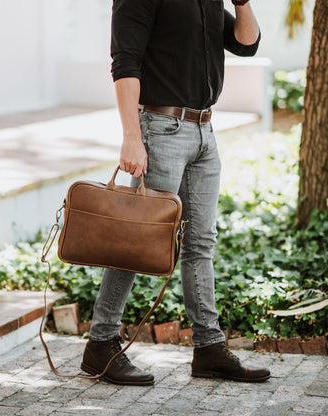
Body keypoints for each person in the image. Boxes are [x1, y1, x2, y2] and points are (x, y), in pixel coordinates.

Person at [81, 0, 271, 385]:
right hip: (160, 127)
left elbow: (246, 44)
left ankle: (209, 349)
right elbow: (125, 62)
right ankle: (101, 343)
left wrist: (242, 2)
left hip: (204, 132)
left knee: (201, 242)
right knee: (139, 238)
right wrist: (132, 136)